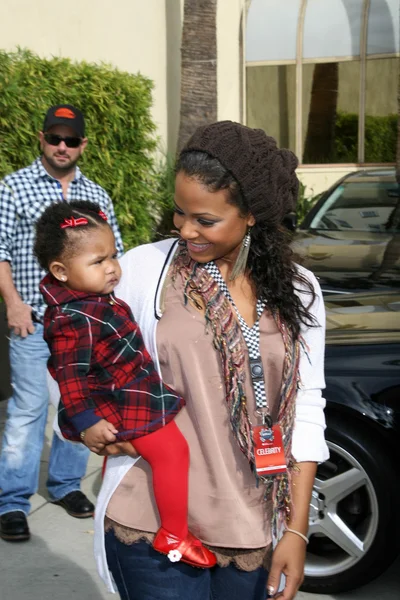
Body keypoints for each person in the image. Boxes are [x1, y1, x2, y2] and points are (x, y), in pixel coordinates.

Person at [93, 121, 329, 600]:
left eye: (204, 219)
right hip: (151, 519)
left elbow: (306, 407)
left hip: (255, 521)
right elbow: (84, 353)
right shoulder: (143, 269)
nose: (184, 230)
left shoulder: (300, 290)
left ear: (251, 216)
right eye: (180, 213)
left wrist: (297, 531)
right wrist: (88, 418)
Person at [34, 200, 216, 569]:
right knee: (172, 452)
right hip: (121, 404)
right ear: (61, 270)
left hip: (134, 390)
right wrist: (86, 423)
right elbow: (68, 376)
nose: (113, 268)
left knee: (170, 452)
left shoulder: (91, 299)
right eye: (98, 261)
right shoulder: (73, 317)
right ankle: (174, 534)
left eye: (112, 255)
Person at [0, 104, 124, 542]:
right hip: (32, 323)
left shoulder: (97, 197)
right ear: (42, 138)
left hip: (84, 327)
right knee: (28, 411)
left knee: (78, 408)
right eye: (54, 137)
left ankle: (66, 486)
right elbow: (0, 250)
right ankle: (13, 501)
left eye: (70, 140)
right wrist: (12, 302)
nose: (61, 146)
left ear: (82, 145)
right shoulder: (12, 188)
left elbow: (114, 256)